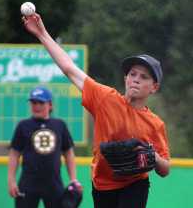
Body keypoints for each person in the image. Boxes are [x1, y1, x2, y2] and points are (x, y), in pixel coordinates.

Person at [21, 13, 170, 208]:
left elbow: (165, 169)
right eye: (132, 74)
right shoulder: (105, 98)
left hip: (135, 183)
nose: (136, 79)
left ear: (154, 87)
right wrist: (42, 33)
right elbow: (69, 69)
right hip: (103, 184)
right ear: (125, 78)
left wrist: (154, 157)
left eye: (144, 77)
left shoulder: (155, 123)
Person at [7, 86, 82, 208]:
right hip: (28, 183)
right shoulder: (23, 126)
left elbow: (68, 153)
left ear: (50, 105)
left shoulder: (59, 125)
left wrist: (73, 179)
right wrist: (11, 180)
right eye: (33, 102)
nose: (36, 106)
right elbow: (14, 154)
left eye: (41, 102)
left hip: (53, 183)